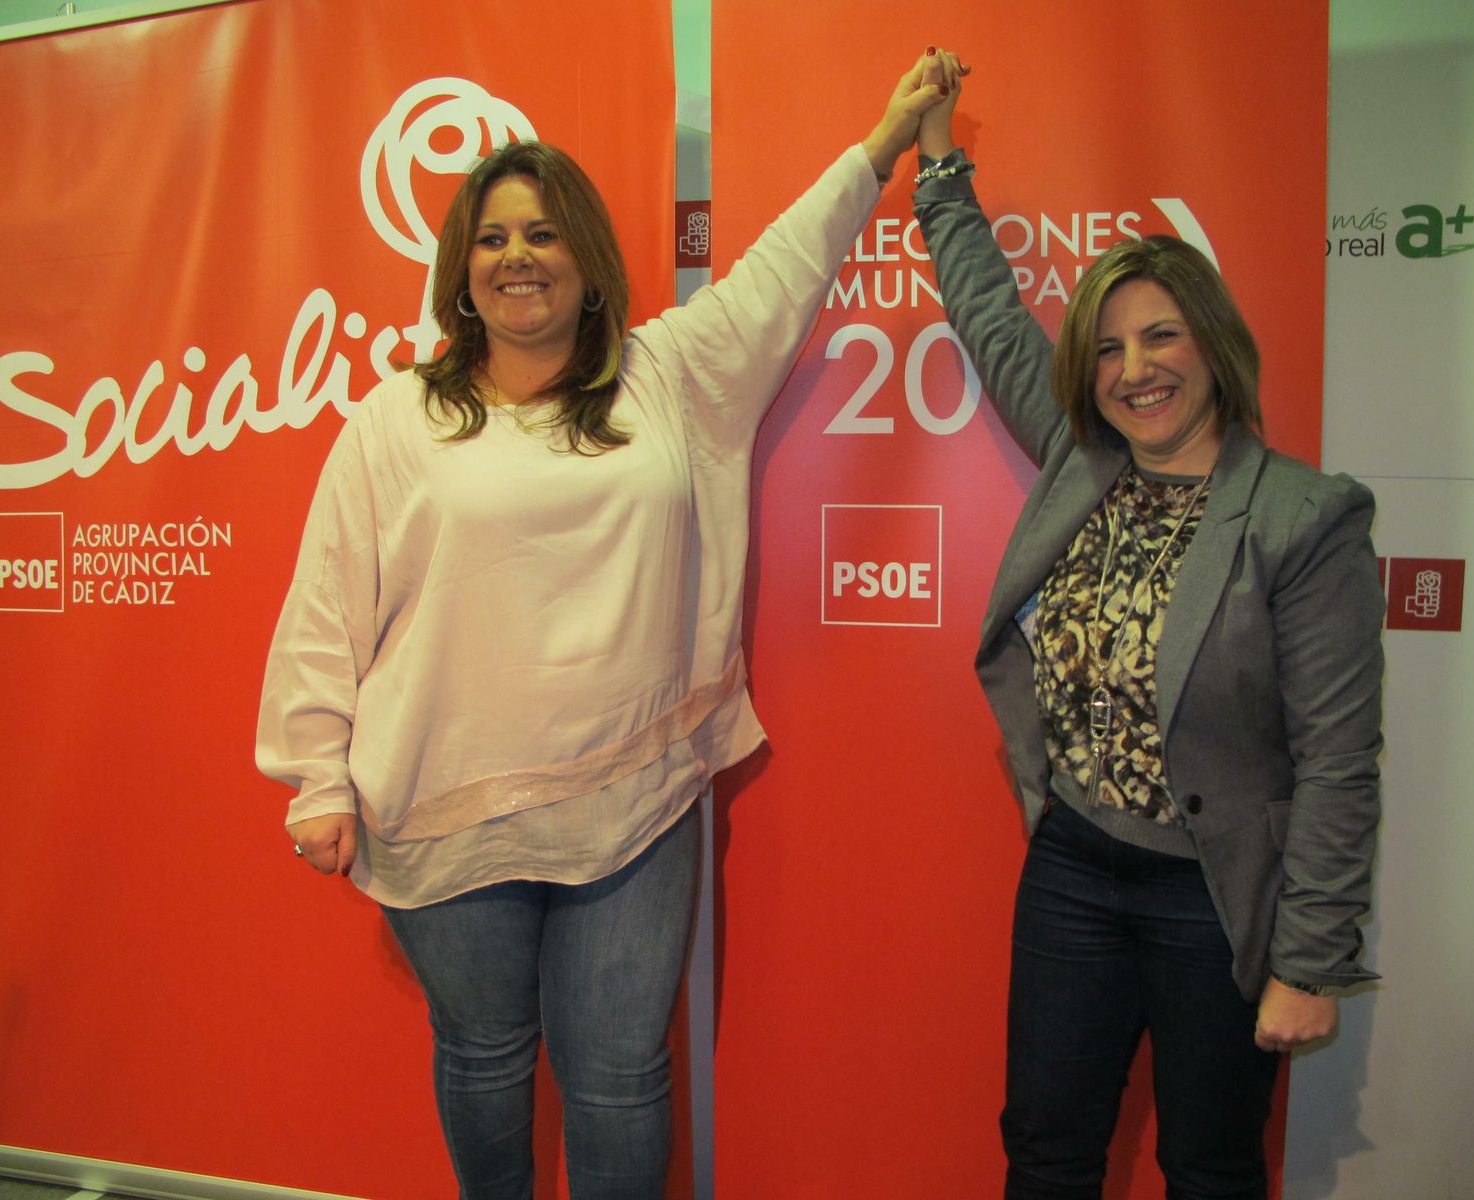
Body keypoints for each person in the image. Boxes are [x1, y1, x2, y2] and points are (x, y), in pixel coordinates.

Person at [255, 54, 952, 1200]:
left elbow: (784, 268)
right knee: (483, 1059)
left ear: (587, 257)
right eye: (490, 238)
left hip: (635, 799)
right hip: (448, 804)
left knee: (622, 1076)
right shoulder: (394, 420)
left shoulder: (671, 374)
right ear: (459, 271)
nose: (517, 256)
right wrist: (316, 775)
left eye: (541, 233)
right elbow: (329, 603)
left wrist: (880, 146)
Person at [911, 51, 1384, 1199]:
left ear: (1212, 344)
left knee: (1209, 1167)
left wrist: (1307, 962)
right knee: (1045, 1151)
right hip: (1071, 866)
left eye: (1161, 337)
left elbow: (1337, 763)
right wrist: (935, 165)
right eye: (1112, 348)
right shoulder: (1086, 463)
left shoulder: (1305, 517)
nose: (1133, 370)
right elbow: (990, 316)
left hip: (1210, 895)